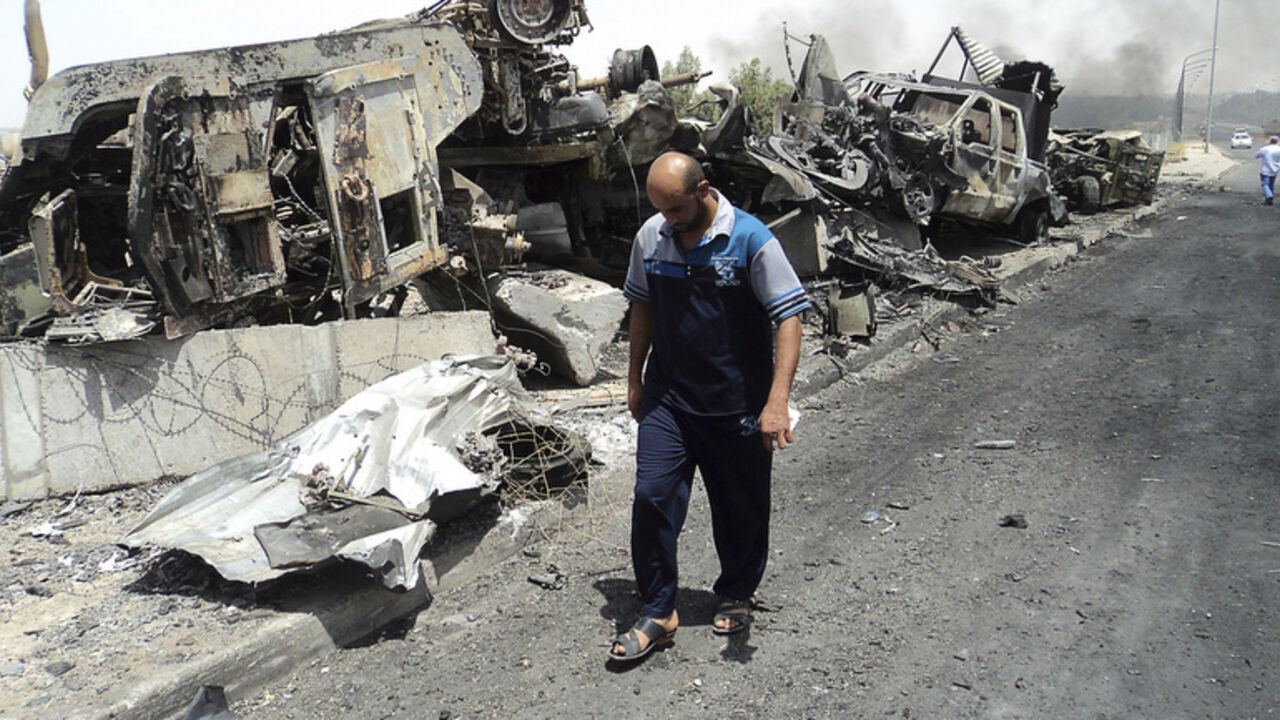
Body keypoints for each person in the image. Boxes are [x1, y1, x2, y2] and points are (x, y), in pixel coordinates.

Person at [607, 151, 810, 662]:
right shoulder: (652, 237)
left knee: (740, 505)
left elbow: (789, 316)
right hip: (670, 397)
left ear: (703, 191)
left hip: (735, 402)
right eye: (660, 210)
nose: (667, 221)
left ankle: (737, 590)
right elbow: (642, 306)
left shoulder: (750, 239)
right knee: (652, 495)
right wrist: (634, 378)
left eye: (675, 210)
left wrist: (777, 402)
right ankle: (658, 609)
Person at [1256, 136, 1280, 205]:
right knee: (1271, 184)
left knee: (1265, 184)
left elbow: (1257, 155)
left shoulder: (1265, 149)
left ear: (1270, 141)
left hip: (1265, 170)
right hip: (1275, 170)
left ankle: (1269, 196)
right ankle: (1269, 200)